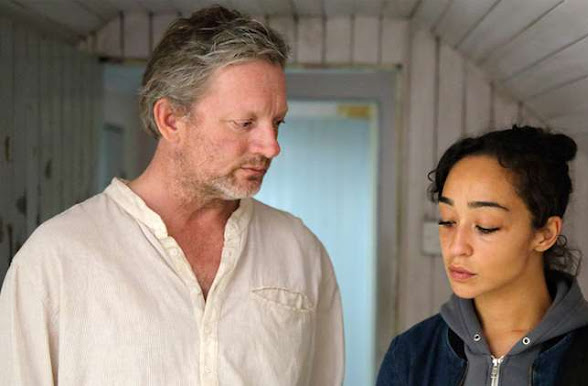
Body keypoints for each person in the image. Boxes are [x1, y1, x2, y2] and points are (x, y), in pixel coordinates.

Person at [0, 5, 344, 385]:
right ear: (171, 120)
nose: (271, 146)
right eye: (245, 123)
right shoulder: (56, 258)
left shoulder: (300, 252)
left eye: (276, 122)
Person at [377, 126, 588, 385]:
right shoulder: (410, 355)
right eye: (448, 221)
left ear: (545, 233)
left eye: (485, 226)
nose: (457, 247)